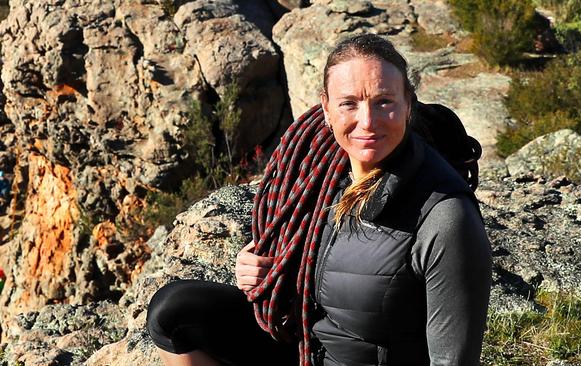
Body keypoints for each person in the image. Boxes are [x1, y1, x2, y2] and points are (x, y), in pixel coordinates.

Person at [146, 34, 492, 366]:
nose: (367, 121)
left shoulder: (445, 216)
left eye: (384, 101)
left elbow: (453, 360)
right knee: (174, 311)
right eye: (349, 104)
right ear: (326, 108)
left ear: (408, 105)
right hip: (307, 352)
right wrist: (259, 270)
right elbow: (304, 260)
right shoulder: (325, 177)